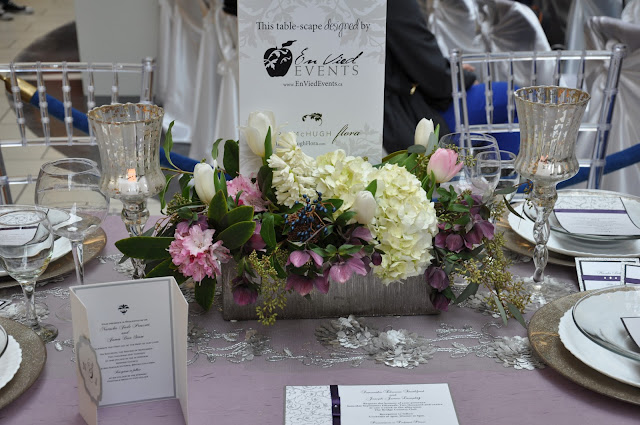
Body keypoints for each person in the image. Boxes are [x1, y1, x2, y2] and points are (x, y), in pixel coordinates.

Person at [384, 0, 517, 153]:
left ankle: (488, 165)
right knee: (514, 98)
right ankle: (496, 168)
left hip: (391, 101)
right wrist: (461, 76)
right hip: (402, 111)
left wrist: (450, 69)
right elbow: (432, 74)